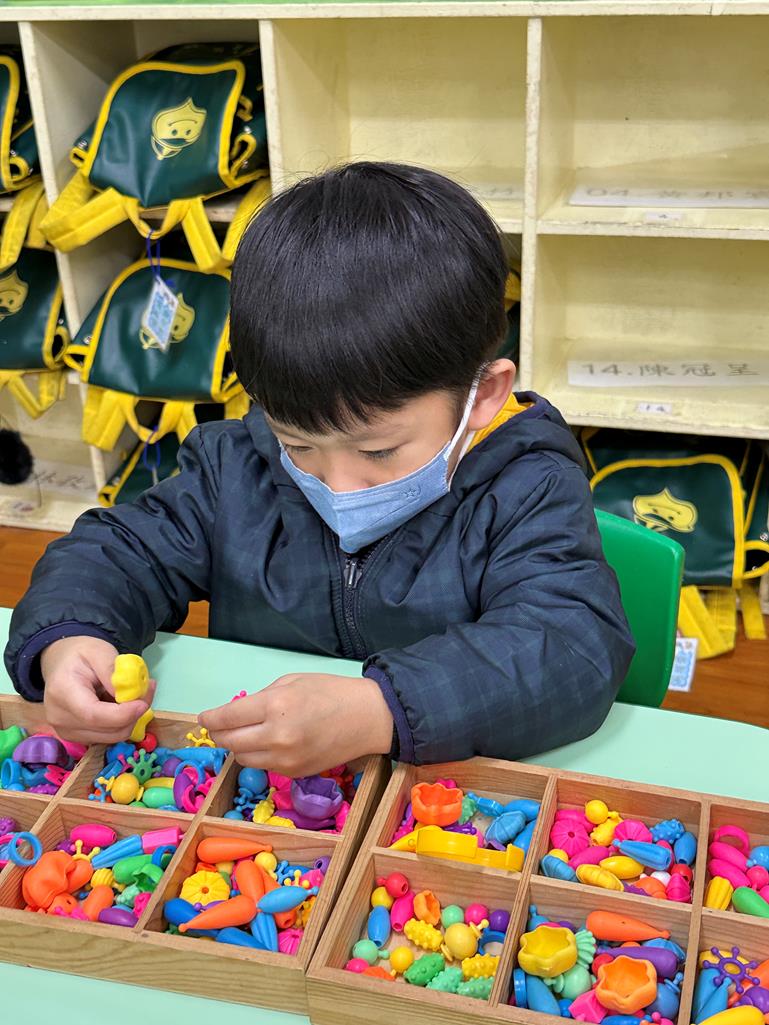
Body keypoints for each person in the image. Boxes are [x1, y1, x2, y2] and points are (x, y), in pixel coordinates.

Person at [4, 162, 634, 774]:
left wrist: (381, 709)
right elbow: (119, 549)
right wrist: (69, 638)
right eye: (300, 445)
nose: (338, 485)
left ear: (483, 395)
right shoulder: (235, 467)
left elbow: (570, 645)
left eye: (378, 451)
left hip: (434, 779)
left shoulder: (529, 487)